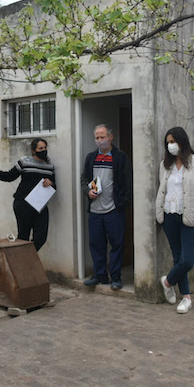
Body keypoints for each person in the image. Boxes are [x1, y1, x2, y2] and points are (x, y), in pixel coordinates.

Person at [155, 127, 194, 314]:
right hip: (169, 215)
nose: (170, 145)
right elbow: (163, 189)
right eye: (167, 142)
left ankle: (167, 282)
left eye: (173, 141)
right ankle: (186, 297)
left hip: (189, 216)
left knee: (187, 260)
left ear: (182, 141)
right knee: (177, 257)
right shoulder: (165, 164)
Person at [81, 124, 132, 290]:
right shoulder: (91, 158)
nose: (99, 141)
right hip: (95, 210)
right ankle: (99, 275)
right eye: (97, 137)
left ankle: (115, 277)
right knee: (96, 244)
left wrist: (122, 203)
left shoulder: (120, 157)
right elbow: (84, 179)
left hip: (113, 210)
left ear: (111, 137)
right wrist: (87, 191)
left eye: (102, 137)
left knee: (117, 244)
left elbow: (127, 182)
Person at [0, 138, 56, 251]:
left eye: (45, 148)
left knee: (40, 238)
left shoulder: (50, 167)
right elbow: (9, 176)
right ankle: (21, 263)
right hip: (23, 204)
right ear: (33, 150)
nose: (43, 150)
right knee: (23, 237)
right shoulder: (25, 162)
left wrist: (51, 183)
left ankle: (25, 257)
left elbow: (54, 186)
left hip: (40, 206)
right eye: (40, 148)